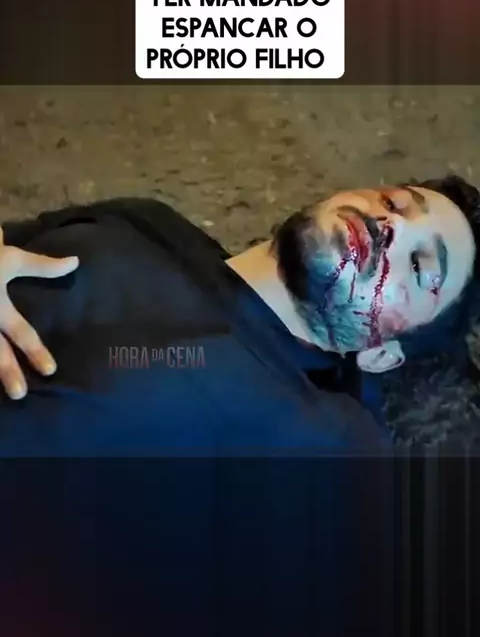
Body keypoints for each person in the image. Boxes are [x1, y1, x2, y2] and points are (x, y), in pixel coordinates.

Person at [0, 174, 479, 455]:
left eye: (421, 267)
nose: (392, 225)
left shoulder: (329, 439)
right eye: (394, 202)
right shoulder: (143, 221)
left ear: (380, 356)